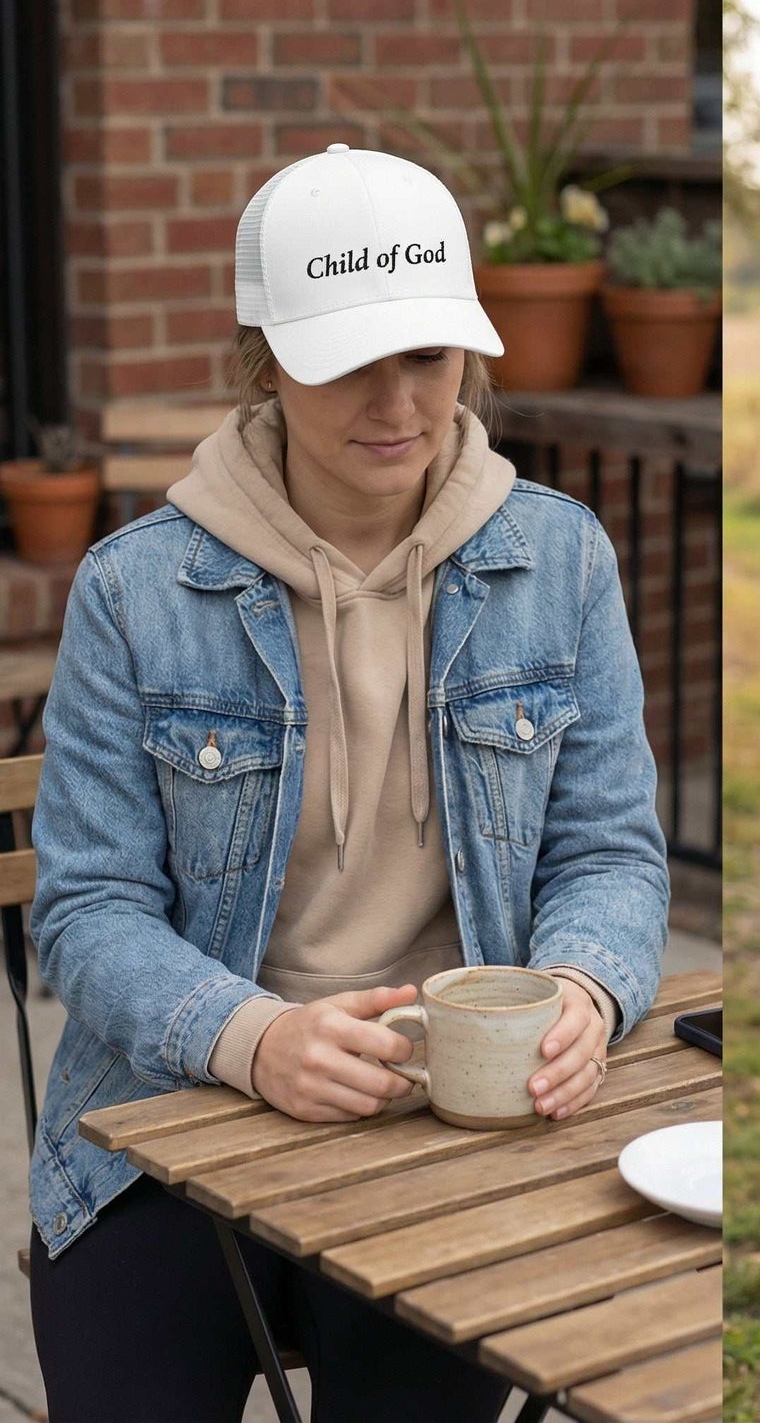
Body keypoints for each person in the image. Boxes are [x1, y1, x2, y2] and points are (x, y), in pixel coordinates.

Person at [26, 144, 670, 1423]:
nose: (395, 401)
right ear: (264, 356)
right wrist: (254, 1036)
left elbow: (610, 851)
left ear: (469, 356)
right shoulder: (134, 588)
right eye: (344, 360)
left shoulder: (559, 558)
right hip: (173, 1114)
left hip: (453, 1116)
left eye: (425, 355)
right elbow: (85, 909)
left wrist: (586, 988)